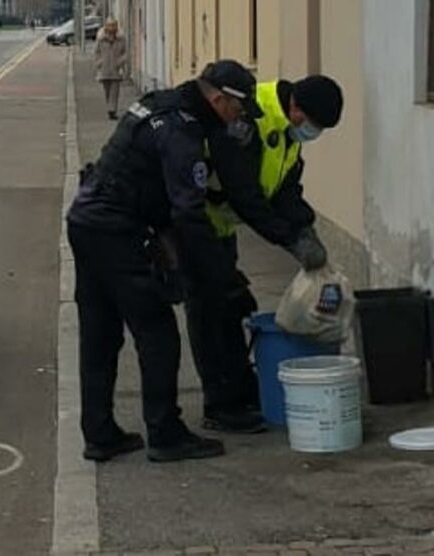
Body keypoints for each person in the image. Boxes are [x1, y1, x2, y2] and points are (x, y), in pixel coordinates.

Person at [67, 59, 264, 463]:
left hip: (87, 220)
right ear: (218, 98)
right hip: (118, 230)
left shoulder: (162, 104)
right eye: (237, 109)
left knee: (100, 334)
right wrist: (223, 276)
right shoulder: (181, 129)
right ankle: (165, 432)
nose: (238, 118)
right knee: (158, 334)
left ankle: (100, 432)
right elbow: (187, 211)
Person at [184, 75, 345, 433]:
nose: (313, 133)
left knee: (236, 307)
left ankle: (240, 393)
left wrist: (304, 228)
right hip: (196, 223)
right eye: (314, 125)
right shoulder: (249, 117)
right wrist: (289, 238)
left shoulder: (288, 131)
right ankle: (220, 405)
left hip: (220, 228)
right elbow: (245, 196)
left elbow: (285, 187)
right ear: (297, 109)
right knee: (211, 311)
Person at [94, 19, 127, 120]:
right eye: (109, 25)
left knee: (114, 91)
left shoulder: (121, 39)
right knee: (107, 91)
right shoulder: (101, 39)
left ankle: (112, 111)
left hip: (116, 69)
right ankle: (110, 108)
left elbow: (125, 52)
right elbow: (97, 52)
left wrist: (121, 62)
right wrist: (99, 62)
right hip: (104, 69)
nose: (111, 28)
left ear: (116, 27)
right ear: (106, 27)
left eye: (113, 25)